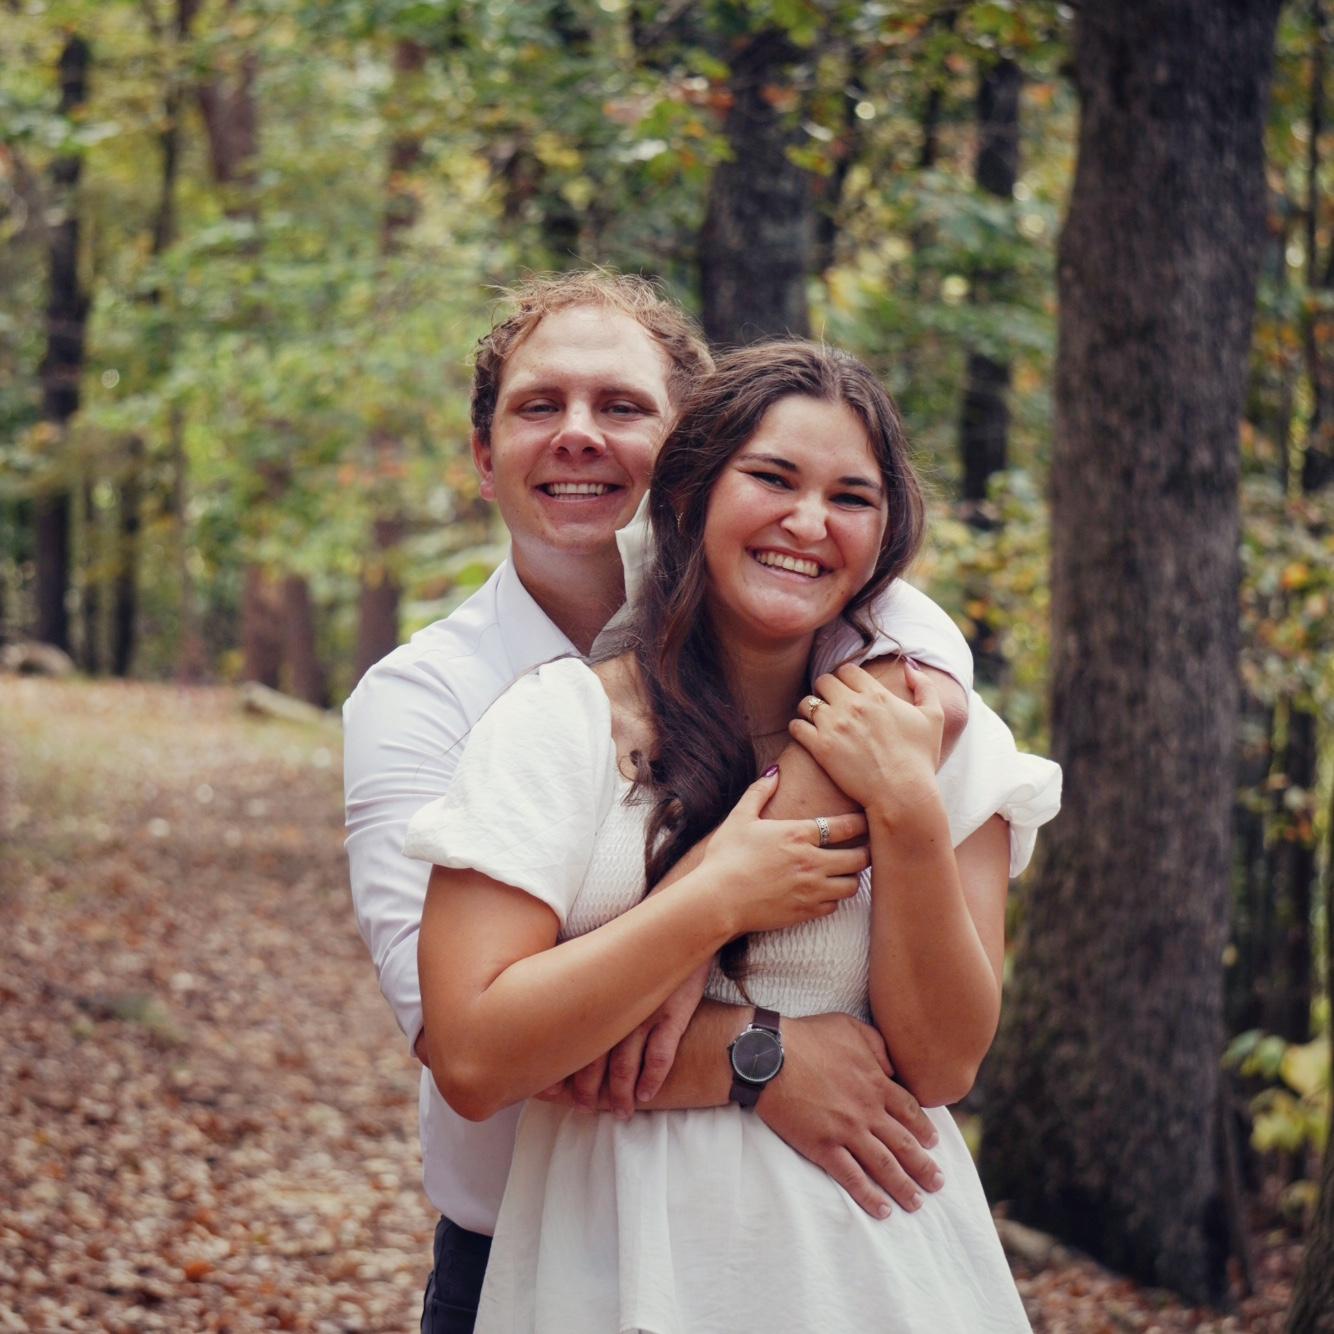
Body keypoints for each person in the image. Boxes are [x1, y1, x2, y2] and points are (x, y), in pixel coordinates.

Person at [343, 273, 979, 1332]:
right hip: (542, 1242)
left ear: (683, 449)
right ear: (482, 456)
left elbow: (924, 664)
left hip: (836, 1266)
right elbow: (462, 1033)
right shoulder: (433, 698)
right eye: (539, 405)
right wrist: (756, 1047)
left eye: (622, 406)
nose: (578, 435)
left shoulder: (825, 616)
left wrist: (724, 911)